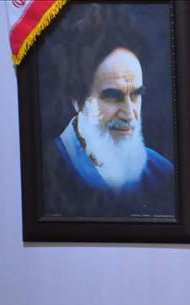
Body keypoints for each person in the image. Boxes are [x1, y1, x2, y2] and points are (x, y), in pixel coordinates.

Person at [41, 4, 174, 219]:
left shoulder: (163, 173)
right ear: (78, 101)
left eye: (136, 95)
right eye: (113, 96)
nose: (129, 113)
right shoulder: (46, 173)